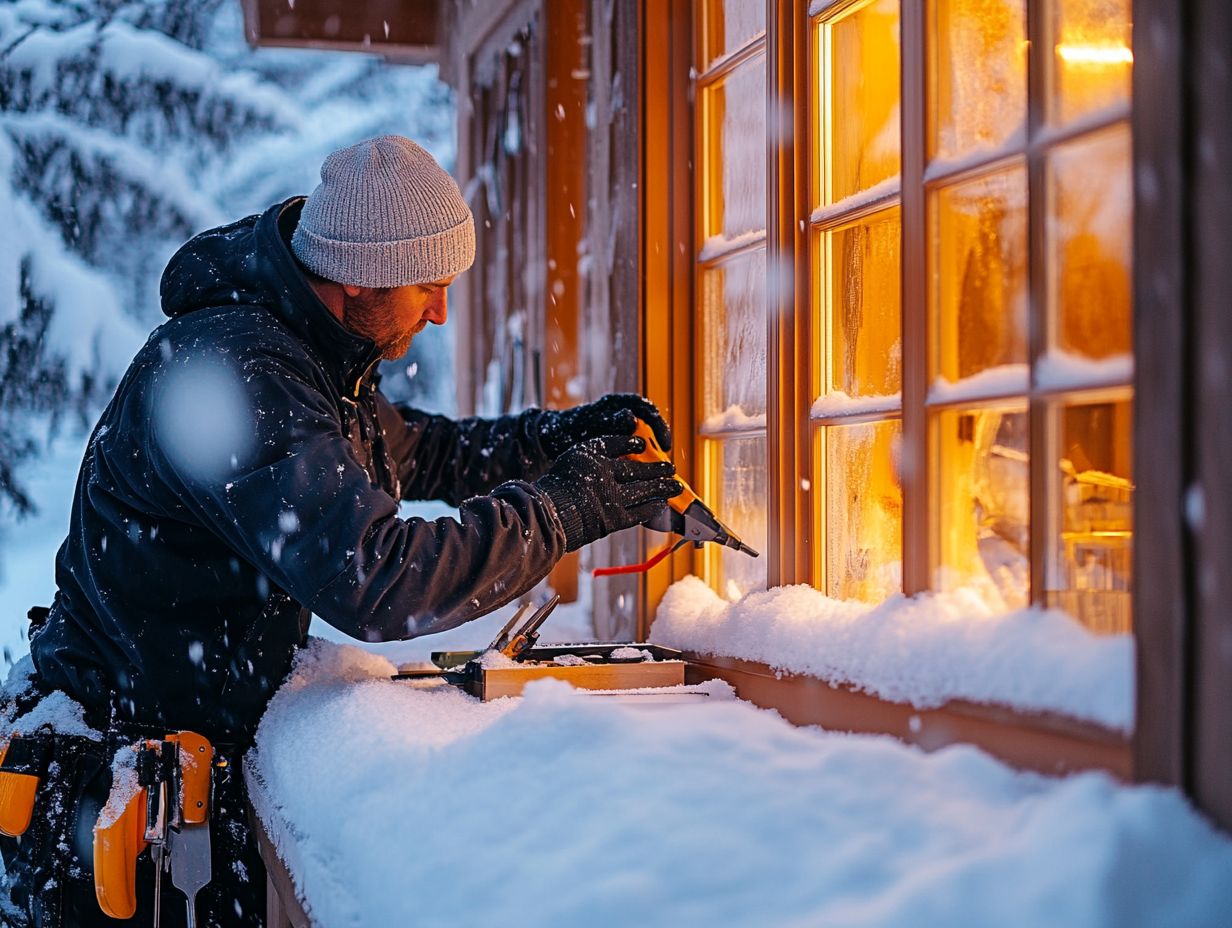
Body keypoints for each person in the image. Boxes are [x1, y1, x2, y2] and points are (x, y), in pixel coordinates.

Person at [0, 135, 679, 926]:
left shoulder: (309, 347)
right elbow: (377, 579)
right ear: (356, 273)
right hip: (115, 795)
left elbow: (409, 452)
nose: (440, 310)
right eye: (428, 284)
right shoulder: (242, 370)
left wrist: (554, 441)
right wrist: (562, 510)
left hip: (177, 764)